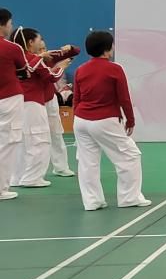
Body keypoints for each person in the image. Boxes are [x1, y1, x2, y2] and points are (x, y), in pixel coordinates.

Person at [72, 30, 149, 211]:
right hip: (104, 120)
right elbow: (124, 98)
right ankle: (129, 198)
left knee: (87, 162)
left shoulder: (80, 70)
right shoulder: (115, 69)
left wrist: (78, 117)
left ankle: (92, 201)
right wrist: (130, 120)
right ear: (108, 49)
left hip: (81, 120)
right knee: (130, 155)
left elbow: (77, 98)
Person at [10, 28, 78, 188]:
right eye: (39, 39)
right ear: (30, 42)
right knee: (39, 140)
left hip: (21, 102)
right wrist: (61, 66)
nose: (42, 43)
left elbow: (73, 52)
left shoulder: (20, 58)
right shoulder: (33, 59)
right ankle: (32, 178)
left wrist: (69, 49)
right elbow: (51, 77)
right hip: (32, 103)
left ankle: (17, 177)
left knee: (23, 140)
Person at [0, 9, 30, 202]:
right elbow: (24, 71)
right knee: (8, 143)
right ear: (3, 24)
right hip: (9, 99)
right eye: (10, 23)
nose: (11, 27)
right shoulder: (12, 48)